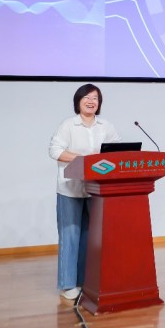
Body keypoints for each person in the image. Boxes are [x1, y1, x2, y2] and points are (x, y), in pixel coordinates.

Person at [48, 83, 121, 300]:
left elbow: (116, 150)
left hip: (96, 189)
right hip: (70, 188)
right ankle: (67, 284)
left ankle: (84, 280)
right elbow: (55, 150)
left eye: (95, 98)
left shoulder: (105, 126)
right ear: (78, 101)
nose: (91, 101)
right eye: (86, 97)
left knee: (90, 237)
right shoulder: (68, 125)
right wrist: (84, 160)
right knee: (70, 235)